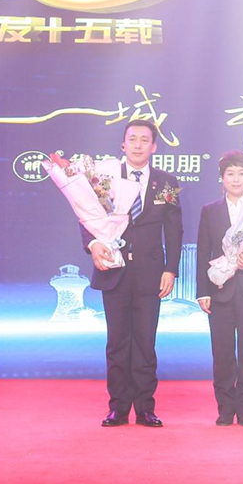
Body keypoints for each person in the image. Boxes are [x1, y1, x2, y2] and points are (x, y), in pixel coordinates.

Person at [85, 120, 182, 428]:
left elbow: (174, 229)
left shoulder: (166, 182)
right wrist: (93, 245)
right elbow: (86, 217)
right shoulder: (105, 179)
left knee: (144, 342)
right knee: (117, 342)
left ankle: (145, 408)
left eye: (144, 140)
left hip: (150, 274)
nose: (138, 144)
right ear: (123, 144)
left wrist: (171, 269)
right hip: (114, 270)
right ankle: (117, 408)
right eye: (132, 139)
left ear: (154, 147)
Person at [196, 150, 243, 427]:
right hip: (220, 290)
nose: (236, 179)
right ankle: (225, 409)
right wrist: (203, 291)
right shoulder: (210, 211)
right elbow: (203, 251)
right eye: (230, 174)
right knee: (223, 353)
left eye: (241, 173)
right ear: (222, 178)